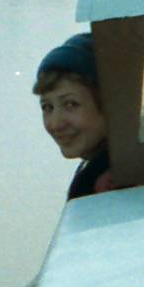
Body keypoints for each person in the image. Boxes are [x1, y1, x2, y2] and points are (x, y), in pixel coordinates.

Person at [34, 32, 114, 200]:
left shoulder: (104, 181)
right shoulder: (97, 166)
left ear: (110, 106)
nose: (55, 124)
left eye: (71, 105)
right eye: (47, 107)